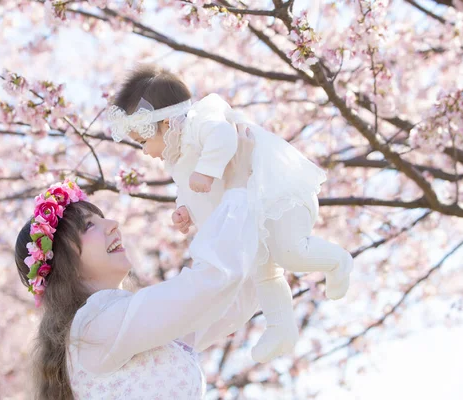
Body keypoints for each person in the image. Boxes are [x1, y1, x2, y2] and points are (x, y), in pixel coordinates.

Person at [107, 64, 354, 362]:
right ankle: (281, 328)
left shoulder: (201, 120)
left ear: (165, 123)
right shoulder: (177, 159)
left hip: (275, 194)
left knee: (289, 252)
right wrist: (183, 209)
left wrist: (207, 171)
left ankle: (338, 261)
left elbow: (223, 138)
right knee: (263, 271)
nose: (145, 151)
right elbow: (190, 188)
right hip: (252, 208)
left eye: (144, 141)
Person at [15, 128, 258, 399]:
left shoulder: (118, 323)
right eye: (89, 226)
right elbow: (208, 287)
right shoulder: (94, 325)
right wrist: (237, 190)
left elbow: (229, 304)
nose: (113, 225)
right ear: (64, 264)